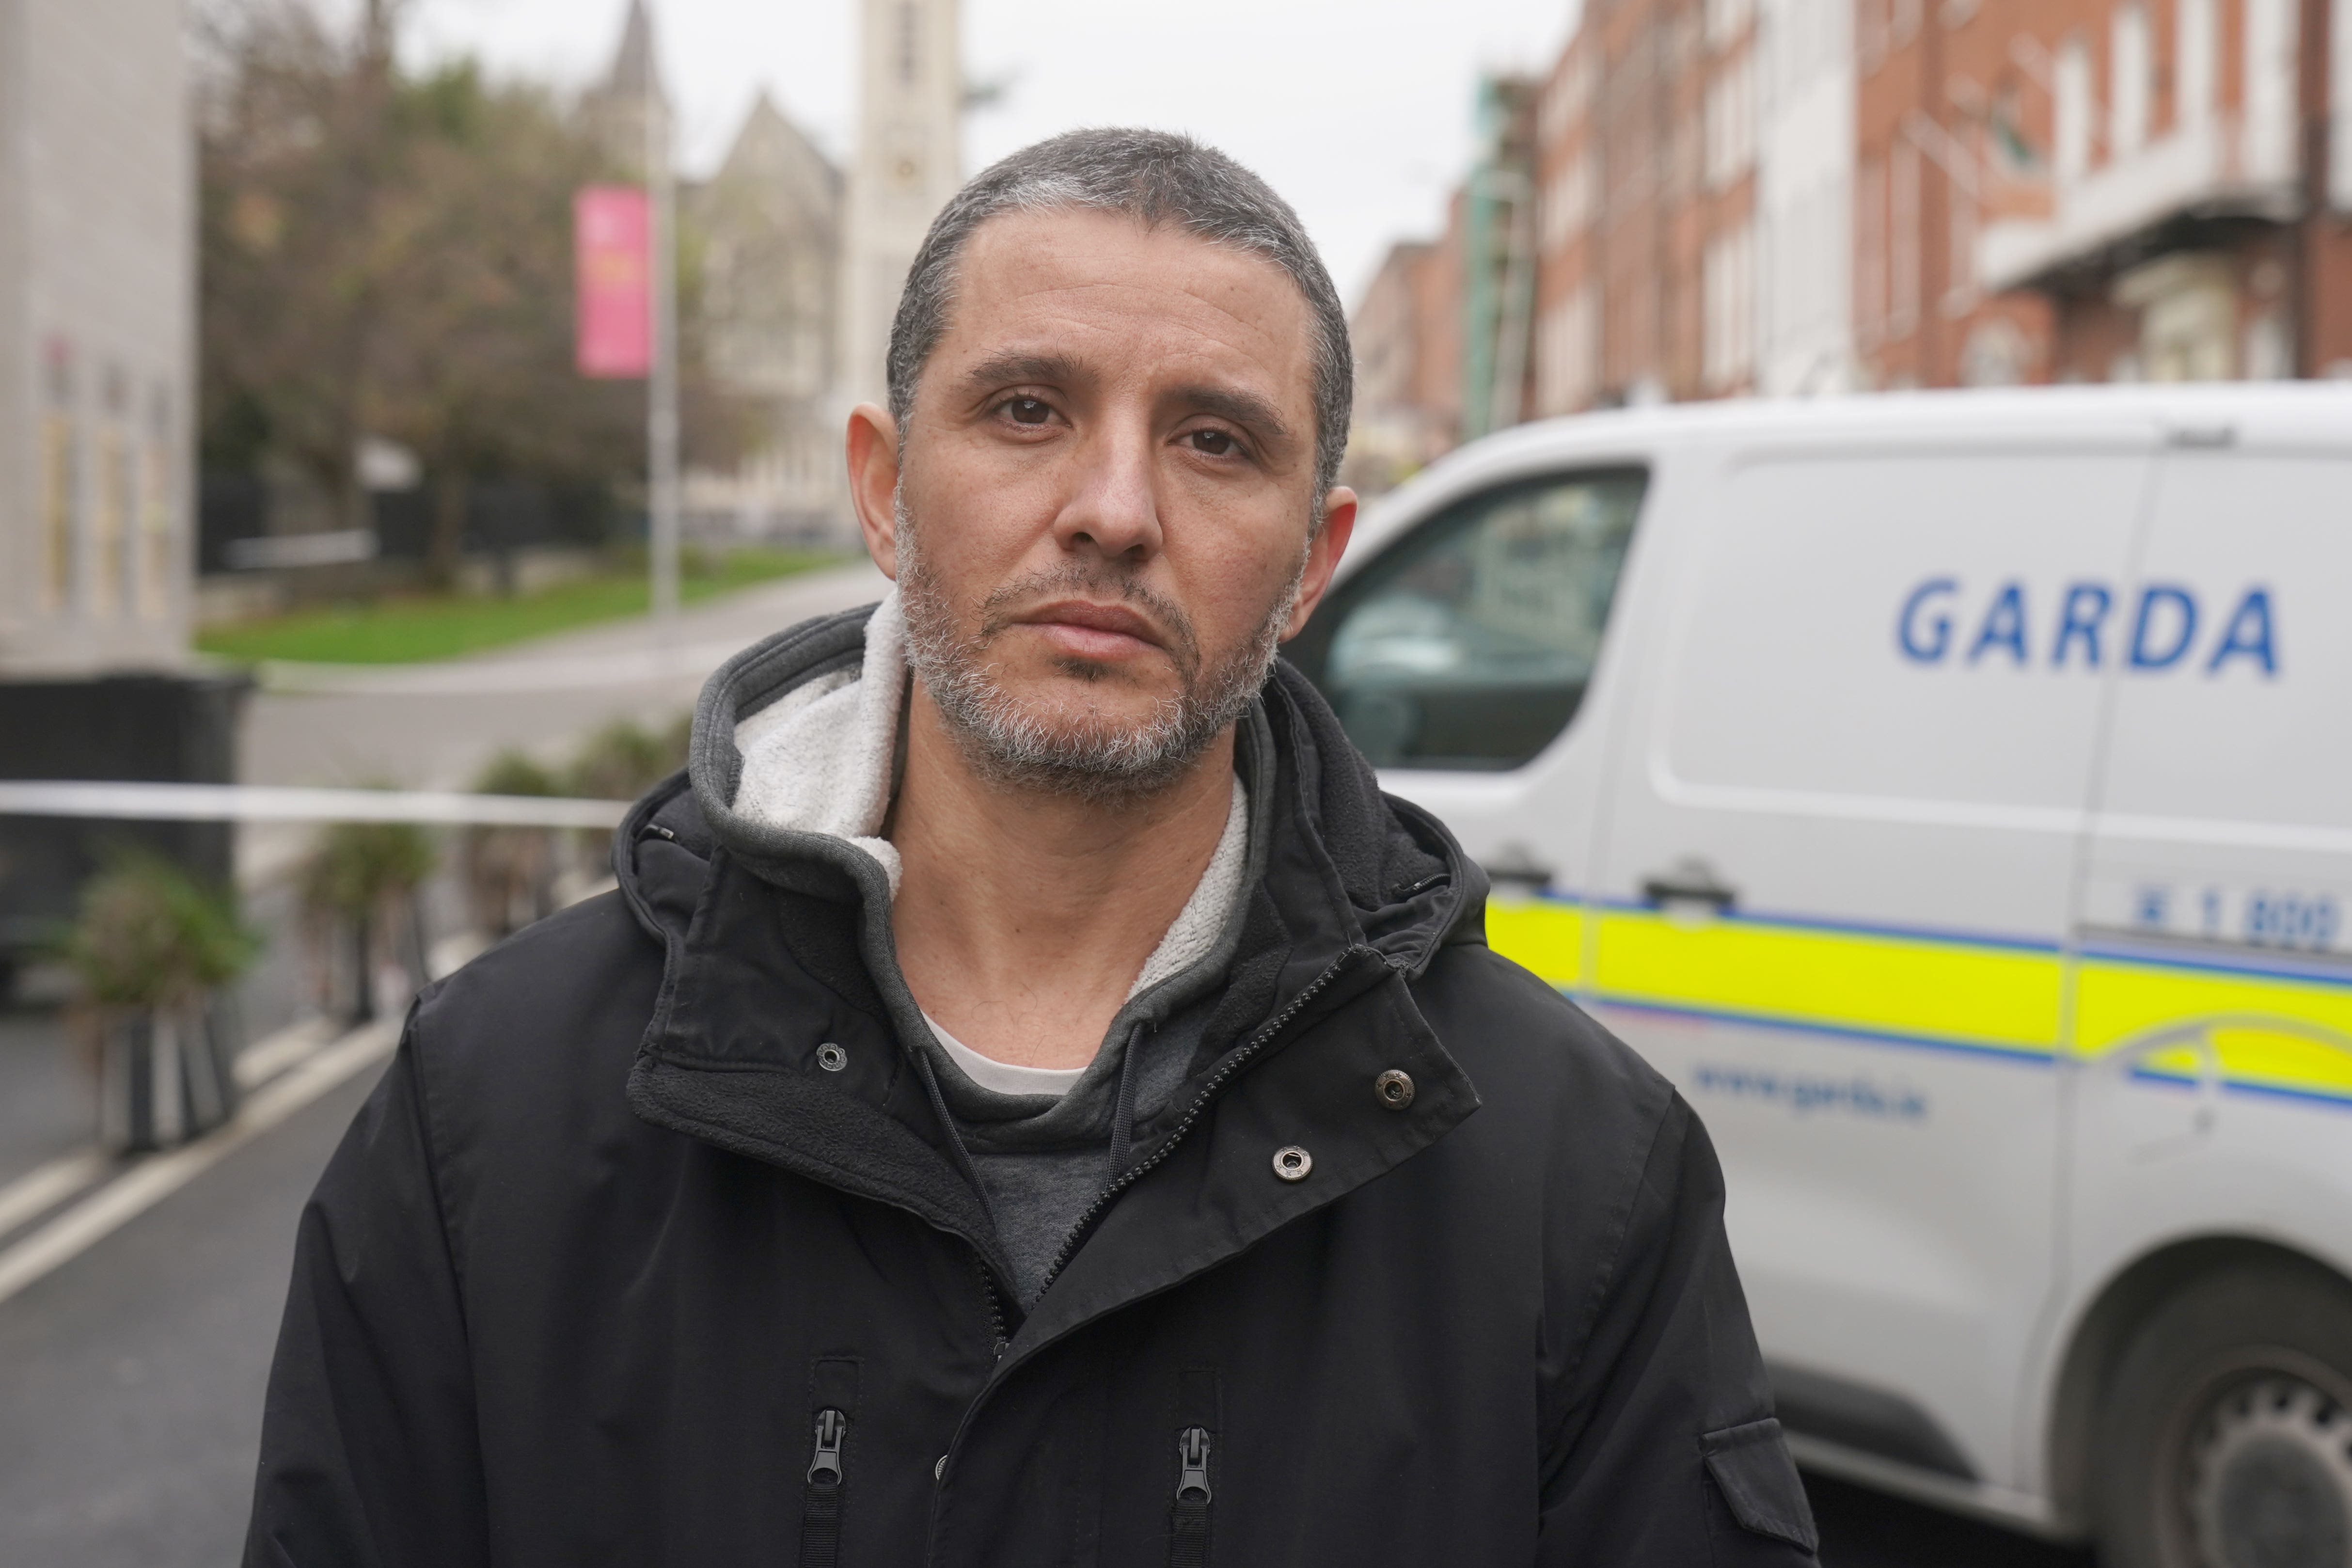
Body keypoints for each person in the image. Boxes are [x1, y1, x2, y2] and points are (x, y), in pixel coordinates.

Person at [244, 128, 1818, 1568]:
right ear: (883, 489)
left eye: (1214, 440)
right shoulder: (490, 1116)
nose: (1113, 508)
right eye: (1025, 410)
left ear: (1312, 566)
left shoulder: (1578, 1181)